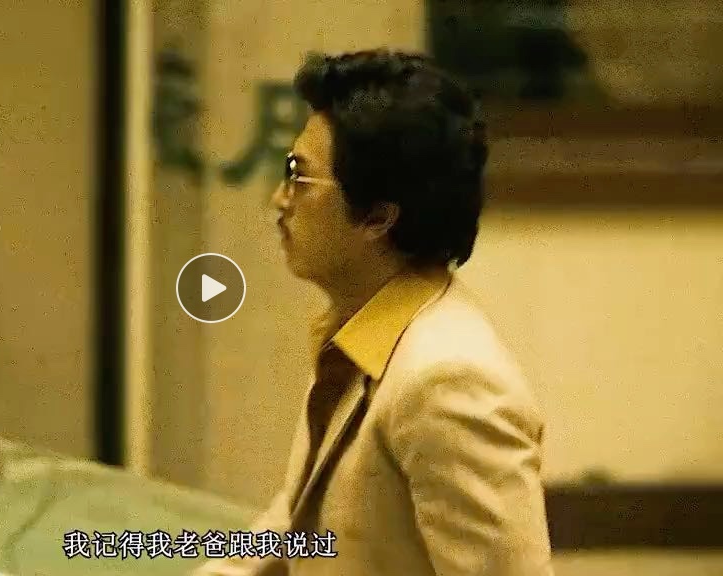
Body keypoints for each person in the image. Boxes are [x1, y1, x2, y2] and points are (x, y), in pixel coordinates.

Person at [194, 49, 553, 575]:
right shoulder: (362, 331)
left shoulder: (447, 381)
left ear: (378, 217)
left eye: (299, 178)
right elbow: (294, 526)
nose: (278, 199)